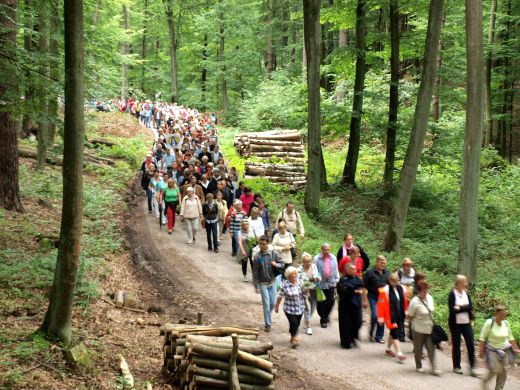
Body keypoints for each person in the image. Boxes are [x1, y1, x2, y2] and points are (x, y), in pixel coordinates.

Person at [479, 304, 520, 390]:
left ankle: (499, 388)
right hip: (492, 349)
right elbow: (482, 338)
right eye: (501, 315)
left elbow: (510, 337)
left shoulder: (505, 323)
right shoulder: (489, 323)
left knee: (504, 370)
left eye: (504, 315)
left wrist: (516, 348)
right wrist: (481, 350)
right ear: (496, 313)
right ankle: (485, 381)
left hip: (504, 349)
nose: (503, 317)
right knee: (495, 369)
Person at [252, 236, 284, 333]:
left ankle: (267, 316)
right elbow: (255, 272)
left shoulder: (274, 254)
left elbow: (282, 264)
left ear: (268, 244)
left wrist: (276, 264)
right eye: (260, 244)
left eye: (264, 244)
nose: (262, 246)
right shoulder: (257, 257)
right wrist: (256, 285)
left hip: (273, 281)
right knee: (266, 304)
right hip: (263, 283)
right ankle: (267, 324)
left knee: (273, 303)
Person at [408, 282, 441, 375]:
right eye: (423, 290)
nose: (426, 292)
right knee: (418, 348)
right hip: (418, 328)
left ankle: (434, 368)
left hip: (429, 328)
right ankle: (419, 366)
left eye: (427, 289)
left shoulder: (430, 298)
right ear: (419, 291)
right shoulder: (414, 301)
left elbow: (432, 311)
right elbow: (409, 316)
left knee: (431, 347)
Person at [447, 275, 477, 376]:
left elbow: (470, 307)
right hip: (455, 323)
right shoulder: (452, 294)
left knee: (470, 343)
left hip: (466, 322)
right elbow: (452, 310)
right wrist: (465, 307)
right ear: (459, 283)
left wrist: (459, 308)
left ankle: (472, 367)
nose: (466, 283)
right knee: (457, 344)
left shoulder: (466, 294)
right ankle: (457, 366)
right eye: (465, 282)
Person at [377, 272, 408, 362]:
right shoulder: (384, 291)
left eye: (397, 281)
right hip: (390, 316)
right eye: (394, 282)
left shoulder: (401, 288)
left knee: (393, 332)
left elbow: (405, 301)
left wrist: (406, 311)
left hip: (400, 315)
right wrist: (381, 318)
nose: (396, 283)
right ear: (390, 281)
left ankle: (388, 349)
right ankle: (399, 353)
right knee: (395, 334)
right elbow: (380, 305)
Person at [337, 263, 368, 349]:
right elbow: (343, 291)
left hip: (356, 304)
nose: (355, 271)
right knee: (346, 324)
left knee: (357, 322)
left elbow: (363, 289)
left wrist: (365, 300)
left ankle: (353, 338)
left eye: (355, 269)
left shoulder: (358, 279)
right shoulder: (343, 280)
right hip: (345, 305)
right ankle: (346, 342)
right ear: (347, 270)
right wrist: (355, 291)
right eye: (352, 269)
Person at [275, 266, 307, 348]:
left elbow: (305, 293)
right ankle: (294, 338)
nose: (293, 276)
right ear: (287, 276)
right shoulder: (285, 285)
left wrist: (307, 290)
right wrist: (277, 306)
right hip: (289, 309)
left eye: (295, 273)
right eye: (291, 274)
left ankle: (292, 333)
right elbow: (280, 296)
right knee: (294, 323)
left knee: (297, 324)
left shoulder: (300, 282)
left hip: (300, 308)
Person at [363, 255, 390, 343]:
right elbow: (363, 286)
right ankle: (371, 332)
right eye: (381, 262)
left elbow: (390, 286)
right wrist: (364, 300)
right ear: (377, 262)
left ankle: (379, 336)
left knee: (381, 316)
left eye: (384, 262)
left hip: (383, 298)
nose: (383, 264)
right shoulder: (369, 273)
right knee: (375, 315)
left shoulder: (387, 273)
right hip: (372, 296)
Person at [313, 243, 339, 328]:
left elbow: (336, 270)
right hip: (320, 284)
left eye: (328, 249)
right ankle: (323, 319)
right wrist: (316, 277)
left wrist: (337, 278)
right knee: (321, 303)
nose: (327, 251)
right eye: (325, 249)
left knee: (331, 301)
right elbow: (314, 270)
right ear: (322, 250)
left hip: (331, 283)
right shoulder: (317, 258)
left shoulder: (333, 258)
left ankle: (325, 316)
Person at [297, 253, 321, 335]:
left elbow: (318, 274)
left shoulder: (314, 266)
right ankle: (308, 326)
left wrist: (318, 278)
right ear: (302, 262)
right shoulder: (299, 270)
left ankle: (307, 319)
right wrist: (306, 287)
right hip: (304, 290)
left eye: (309, 262)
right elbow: (298, 282)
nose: (308, 264)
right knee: (307, 308)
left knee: (313, 306)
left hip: (314, 288)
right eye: (306, 262)